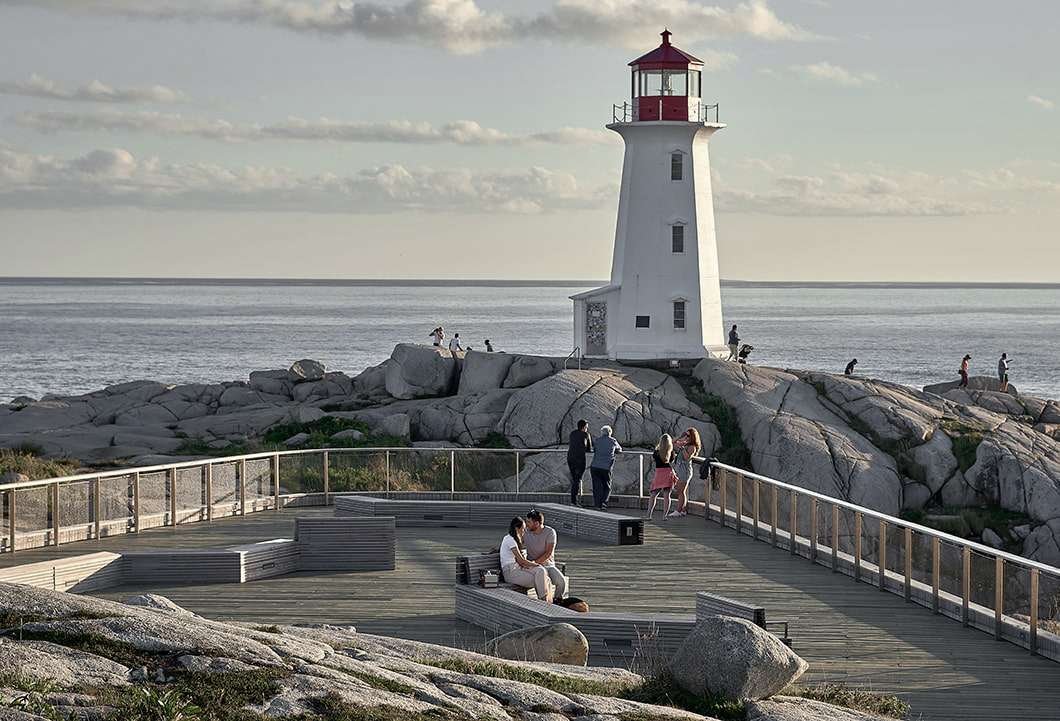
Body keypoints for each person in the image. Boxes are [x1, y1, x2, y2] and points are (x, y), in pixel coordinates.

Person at [499, 517, 554, 602]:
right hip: (511, 573)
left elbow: (520, 561)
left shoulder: (514, 540)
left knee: (542, 572)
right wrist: (536, 564)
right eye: (523, 529)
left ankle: (549, 602)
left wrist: (535, 566)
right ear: (517, 528)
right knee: (542, 580)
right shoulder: (510, 540)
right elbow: (521, 560)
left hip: (518, 569)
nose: (524, 532)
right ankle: (544, 602)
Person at [523, 509, 567, 600]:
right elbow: (514, 543)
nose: (526, 524)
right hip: (534, 568)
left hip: (547, 565)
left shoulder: (550, 532)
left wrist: (533, 563)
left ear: (537, 523)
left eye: (528, 522)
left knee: (561, 582)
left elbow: (548, 553)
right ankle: (543, 603)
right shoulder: (525, 532)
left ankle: (557, 601)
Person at [670, 427, 701, 518]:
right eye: (686, 435)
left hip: (685, 470)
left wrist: (682, 448)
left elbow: (687, 457)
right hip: (680, 469)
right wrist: (681, 436)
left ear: (692, 436)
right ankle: (683, 510)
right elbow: (672, 442)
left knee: (680, 491)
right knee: (681, 490)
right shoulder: (685, 444)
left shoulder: (692, 447)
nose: (686, 437)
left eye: (688, 435)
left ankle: (678, 510)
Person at [589, 425, 622, 510]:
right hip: (606, 467)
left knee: (597, 486)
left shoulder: (597, 440)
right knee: (607, 486)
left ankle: (597, 505)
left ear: (601, 433)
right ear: (610, 433)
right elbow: (619, 449)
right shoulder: (613, 441)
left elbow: (595, 449)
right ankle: (604, 503)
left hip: (595, 466)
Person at [647, 434, 678, 519]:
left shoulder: (656, 452)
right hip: (668, 473)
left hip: (659, 473)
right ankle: (665, 516)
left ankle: (649, 515)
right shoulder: (671, 453)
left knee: (653, 495)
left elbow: (654, 459)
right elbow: (671, 461)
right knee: (667, 496)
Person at [566, 419, 593, 505]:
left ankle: (573, 500)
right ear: (584, 427)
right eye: (586, 427)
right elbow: (589, 448)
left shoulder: (572, 433)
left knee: (574, 479)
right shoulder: (586, 434)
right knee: (577, 480)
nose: (587, 429)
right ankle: (574, 501)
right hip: (579, 459)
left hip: (570, 458)